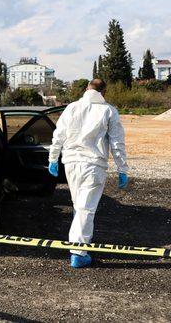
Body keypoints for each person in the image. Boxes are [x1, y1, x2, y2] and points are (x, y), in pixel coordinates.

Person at [48, 79, 128, 268]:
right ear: (104, 92)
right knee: (86, 208)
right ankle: (78, 252)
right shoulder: (109, 110)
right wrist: (122, 168)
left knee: (80, 205)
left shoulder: (71, 108)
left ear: (86, 89)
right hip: (93, 164)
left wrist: (53, 158)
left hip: (71, 163)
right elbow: (117, 143)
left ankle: (82, 246)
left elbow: (58, 134)